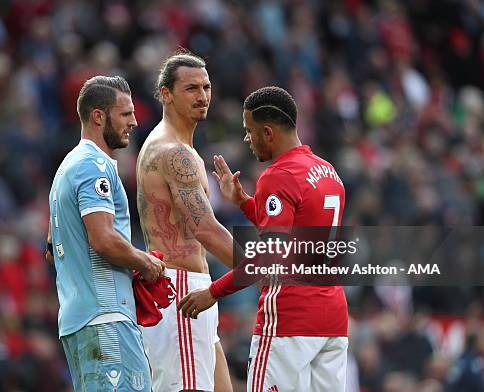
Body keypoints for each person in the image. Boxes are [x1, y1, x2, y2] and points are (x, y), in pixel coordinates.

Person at [178, 86, 349, 392]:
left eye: (249, 131)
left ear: (268, 132)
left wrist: (212, 292)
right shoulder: (328, 172)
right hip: (332, 317)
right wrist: (244, 202)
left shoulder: (278, 175)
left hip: (289, 317)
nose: (247, 139)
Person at [48, 75, 165, 392]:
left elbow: (51, 245)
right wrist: (145, 263)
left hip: (80, 320)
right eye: (125, 114)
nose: (134, 121)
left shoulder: (68, 168)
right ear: (98, 116)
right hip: (106, 318)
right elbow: (102, 239)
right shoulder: (93, 166)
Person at [136, 51, 234, 392]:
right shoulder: (174, 151)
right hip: (182, 292)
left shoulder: (175, 147)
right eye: (191, 88)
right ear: (166, 94)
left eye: (206, 87)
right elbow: (203, 228)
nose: (203, 95)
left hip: (189, 291)